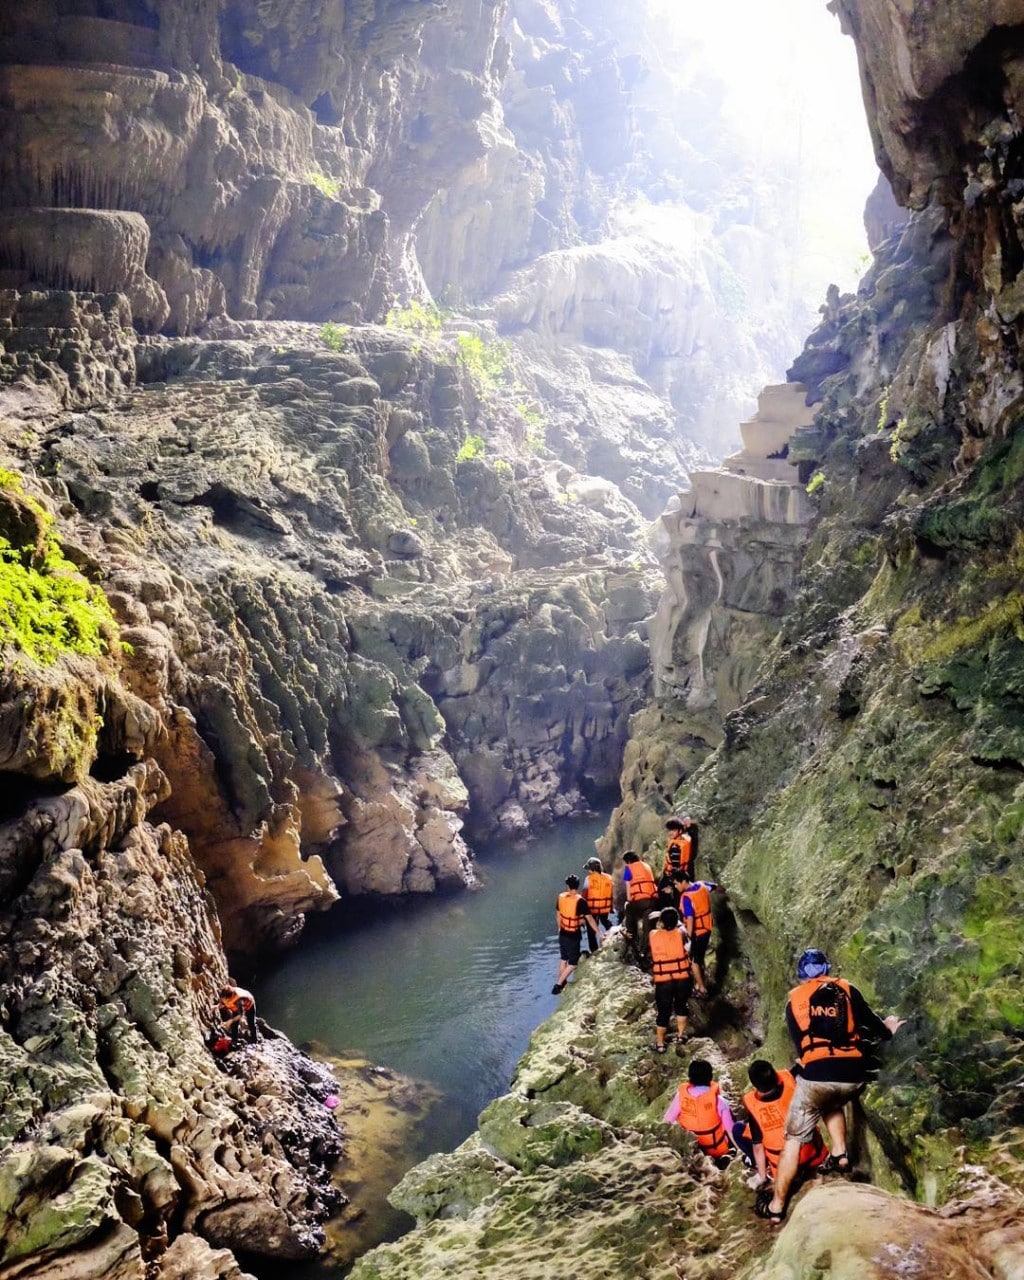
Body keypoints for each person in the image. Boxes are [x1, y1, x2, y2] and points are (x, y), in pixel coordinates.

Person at [757, 948, 905, 1224]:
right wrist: (890, 1028)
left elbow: (801, 1045)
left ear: (802, 977)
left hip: (818, 1077)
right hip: (854, 1076)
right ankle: (840, 1154)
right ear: (827, 969)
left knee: (793, 1139)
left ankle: (777, 1206)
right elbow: (875, 1026)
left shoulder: (794, 1000)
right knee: (829, 1097)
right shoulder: (846, 988)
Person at [741, 1060, 826, 1193]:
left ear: (754, 1085)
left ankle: (766, 1174)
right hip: (812, 1155)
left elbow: (758, 1147)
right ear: (775, 1075)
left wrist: (763, 1177)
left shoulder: (754, 1108)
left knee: (740, 1131)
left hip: (783, 1167)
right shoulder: (791, 1082)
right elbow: (805, 1065)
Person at [663, 1058, 750, 1168]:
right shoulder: (719, 1101)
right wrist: (742, 1152)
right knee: (733, 1120)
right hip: (718, 1150)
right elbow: (730, 1130)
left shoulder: (681, 1097)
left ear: (690, 1077)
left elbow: (667, 1121)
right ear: (710, 1076)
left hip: (692, 1150)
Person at [648, 907, 692, 1053]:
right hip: (682, 978)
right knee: (681, 1005)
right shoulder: (682, 933)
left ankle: (660, 1044)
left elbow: (658, 931)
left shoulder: (653, 934)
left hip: (664, 980)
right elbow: (687, 944)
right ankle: (680, 1036)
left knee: (663, 1012)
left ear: (660, 921)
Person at [553, 874, 601, 994]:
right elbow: (590, 919)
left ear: (567, 886)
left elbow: (558, 915)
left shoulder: (561, 897)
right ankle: (558, 985)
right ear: (578, 886)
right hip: (573, 935)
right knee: (573, 963)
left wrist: (559, 928)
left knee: (564, 958)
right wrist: (599, 933)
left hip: (562, 933)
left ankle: (562, 982)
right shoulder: (581, 901)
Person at [678, 873, 718, 996]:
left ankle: (701, 989)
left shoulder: (686, 897)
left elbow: (690, 918)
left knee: (694, 961)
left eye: (676, 883)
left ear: (683, 881)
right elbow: (715, 887)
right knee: (699, 957)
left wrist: (688, 936)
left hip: (697, 931)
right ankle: (698, 983)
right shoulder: (702, 885)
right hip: (707, 927)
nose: (675, 886)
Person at [620, 850, 659, 962]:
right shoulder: (646, 866)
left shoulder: (629, 868)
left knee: (629, 908)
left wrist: (629, 900)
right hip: (651, 901)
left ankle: (630, 933)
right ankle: (644, 951)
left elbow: (628, 888)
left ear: (628, 861)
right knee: (647, 927)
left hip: (639, 901)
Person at [582, 856, 614, 955]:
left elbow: (584, 896)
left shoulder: (588, 879)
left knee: (591, 932)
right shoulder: (609, 878)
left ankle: (594, 952)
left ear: (592, 869)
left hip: (592, 910)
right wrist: (611, 908)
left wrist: (582, 913)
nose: (588, 871)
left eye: (589, 869)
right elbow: (611, 894)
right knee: (606, 923)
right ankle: (613, 937)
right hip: (605, 908)